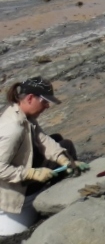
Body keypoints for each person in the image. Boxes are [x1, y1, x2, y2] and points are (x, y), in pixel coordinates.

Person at [0, 77, 87, 236]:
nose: (47, 106)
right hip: (12, 190)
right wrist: (32, 173)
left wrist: (64, 159)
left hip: (15, 172)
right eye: (45, 101)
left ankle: (63, 172)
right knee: (66, 145)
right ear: (30, 98)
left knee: (61, 143)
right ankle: (55, 198)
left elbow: (42, 139)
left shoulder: (20, 112)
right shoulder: (13, 128)